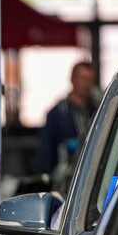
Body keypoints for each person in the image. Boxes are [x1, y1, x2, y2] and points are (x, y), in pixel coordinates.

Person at [37, 60, 100, 193]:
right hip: (65, 183)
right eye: (83, 78)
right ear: (72, 79)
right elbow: (46, 150)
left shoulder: (99, 110)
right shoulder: (57, 113)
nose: (87, 84)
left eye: (90, 79)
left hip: (95, 178)